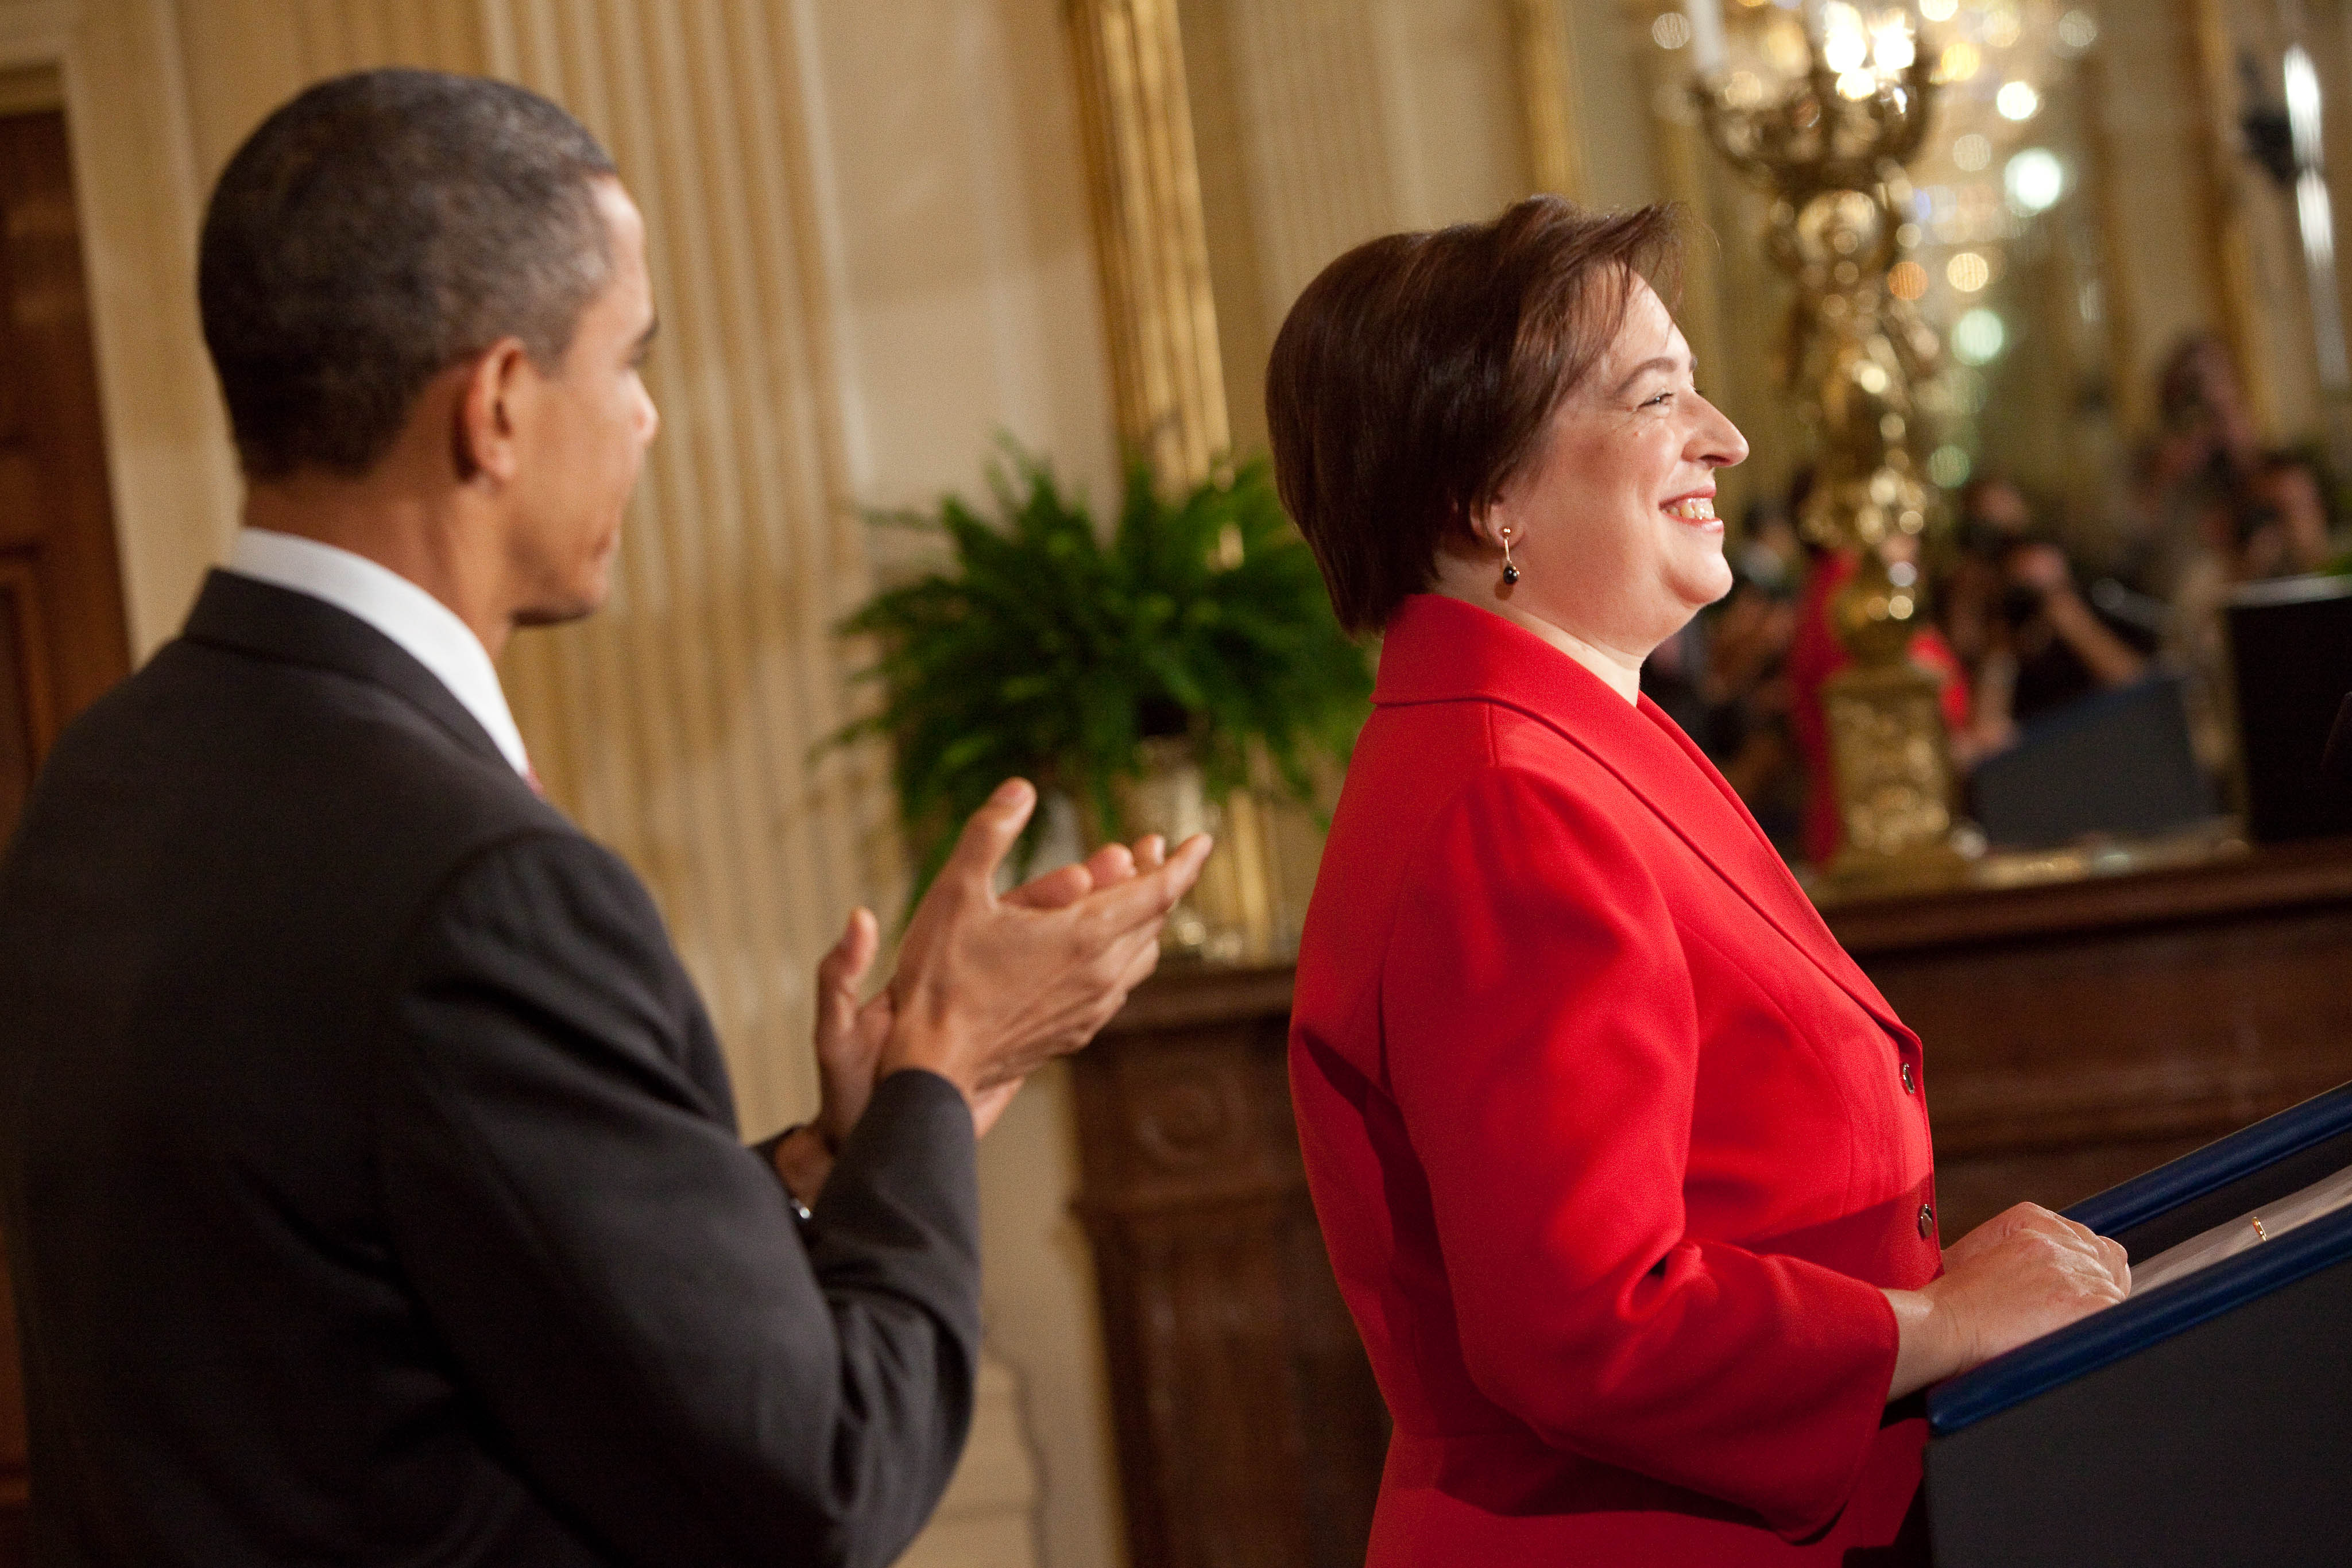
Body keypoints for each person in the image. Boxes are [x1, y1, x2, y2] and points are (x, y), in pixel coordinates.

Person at [0, 70, 1210, 1568]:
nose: (644, 414)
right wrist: (943, 1067)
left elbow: (388, 1264)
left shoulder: (105, 771)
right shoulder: (485, 886)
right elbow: (829, 1478)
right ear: (499, 405)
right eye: (628, 357)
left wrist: (827, 1165)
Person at [1267, 196, 2131, 1565]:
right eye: (1656, 396)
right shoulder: (1509, 800)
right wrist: (1943, 1323)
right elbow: (1587, 1323)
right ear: (1481, 496)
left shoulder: (1563, 743)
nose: (1723, 437)